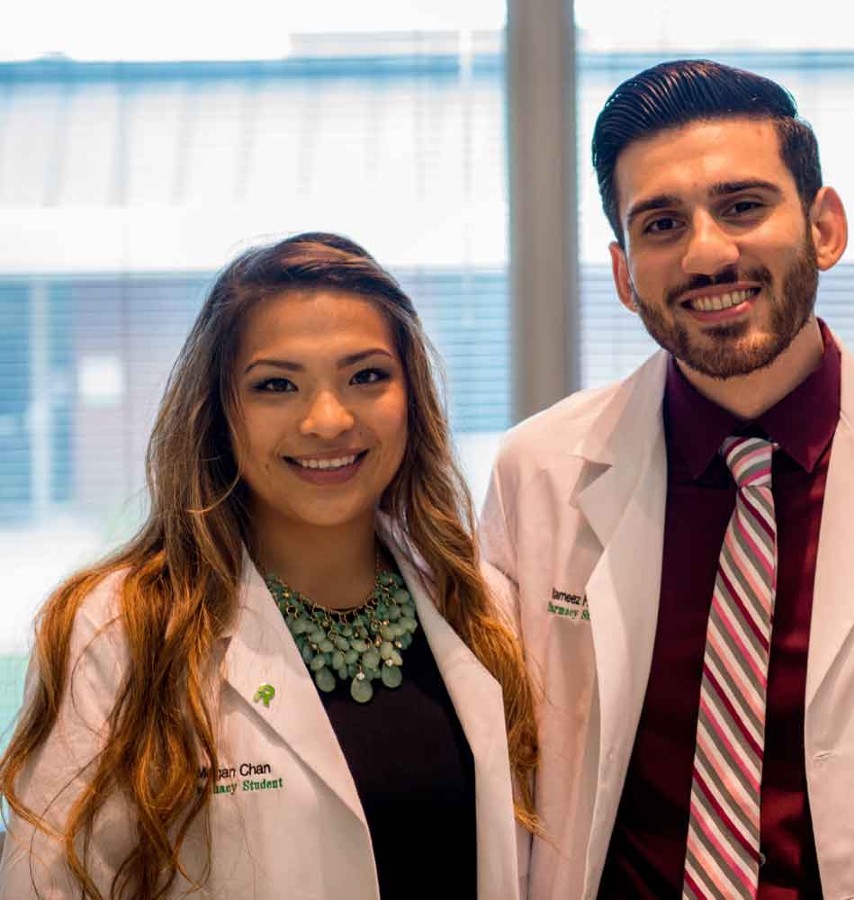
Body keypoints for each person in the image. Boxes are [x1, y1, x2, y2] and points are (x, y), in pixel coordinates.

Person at [480, 60, 854, 899]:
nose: (708, 254)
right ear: (622, 271)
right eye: (662, 224)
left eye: (743, 207)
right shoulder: (536, 474)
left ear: (824, 226)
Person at [0, 233, 538, 899]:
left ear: (413, 398)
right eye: (276, 385)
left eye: (366, 375)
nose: (328, 419)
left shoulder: (481, 607)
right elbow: (48, 888)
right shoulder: (122, 629)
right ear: (220, 413)